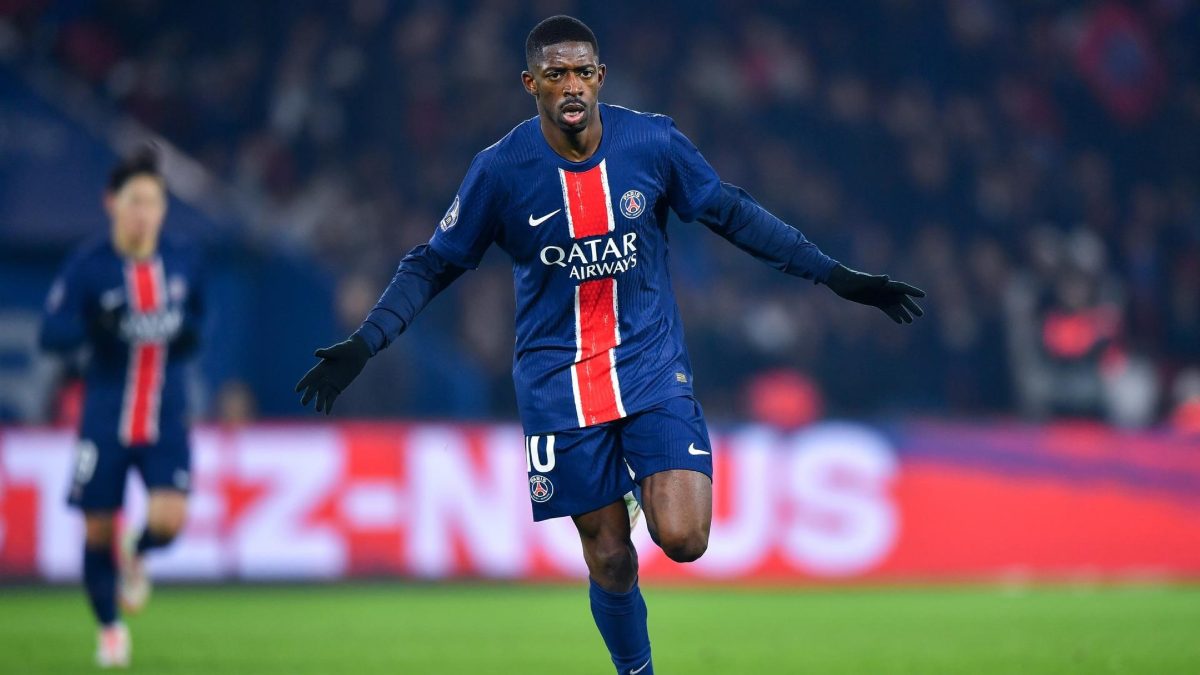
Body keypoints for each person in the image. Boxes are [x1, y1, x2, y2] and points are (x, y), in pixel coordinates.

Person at [295, 16, 924, 675]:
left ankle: (638, 484)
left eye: (582, 72)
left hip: (649, 366)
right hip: (558, 383)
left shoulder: (652, 142)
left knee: (684, 537)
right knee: (612, 558)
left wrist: (834, 275)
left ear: (600, 77)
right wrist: (366, 342)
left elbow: (732, 212)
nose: (571, 85)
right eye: (555, 74)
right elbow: (433, 263)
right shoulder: (500, 170)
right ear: (530, 83)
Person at [40, 146, 204, 669]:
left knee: (169, 520)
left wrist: (186, 333)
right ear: (111, 203)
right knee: (96, 529)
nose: (143, 213)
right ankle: (110, 629)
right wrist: (96, 326)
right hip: (105, 417)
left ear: (163, 208)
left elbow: (201, 320)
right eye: (134, 201)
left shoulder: (182, 259)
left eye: (152, 202)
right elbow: (50, 333)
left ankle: (140, 551)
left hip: (165, 415)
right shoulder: (89, 266)